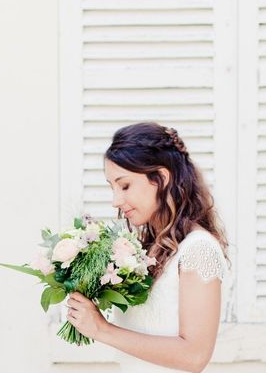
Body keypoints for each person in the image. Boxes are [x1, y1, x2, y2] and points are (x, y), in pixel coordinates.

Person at [66, 122, 231, 373]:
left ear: (161, 178)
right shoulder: (147, 251)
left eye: (125, 185)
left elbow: (195, 356)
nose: (116, 201)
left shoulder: (198, 250)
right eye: (112, 187)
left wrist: (101, 329)